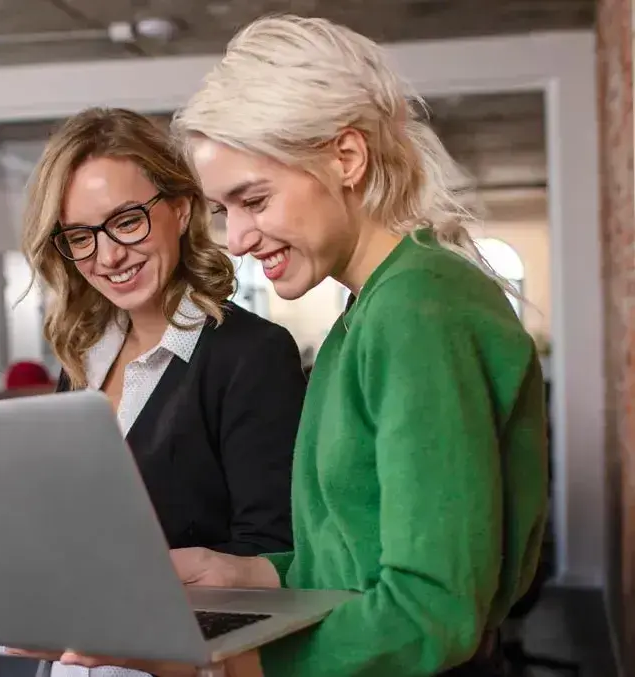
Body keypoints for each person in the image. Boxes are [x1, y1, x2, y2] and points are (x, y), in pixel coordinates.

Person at [37, 15, 548, 677]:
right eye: (227, 210)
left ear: (346, 157)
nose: (239, 239)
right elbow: (352, 558)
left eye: (254, 199)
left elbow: (430, 610)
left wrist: (211, 663)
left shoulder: (420, 311)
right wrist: (243, 569)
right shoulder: (368, 312)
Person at [19, 107, 307, 677]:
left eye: (126, 222)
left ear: (179, 209)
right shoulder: (81, 358)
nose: (108, 256)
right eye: (80, 236)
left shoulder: (249, 353)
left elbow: (271, 552)